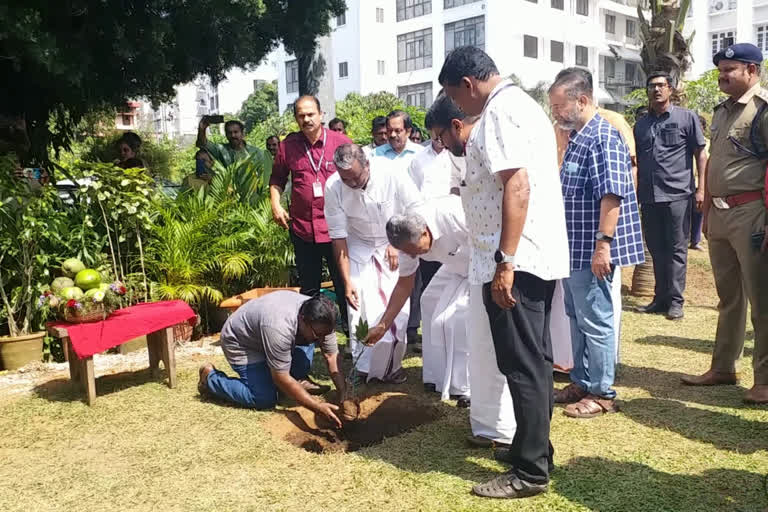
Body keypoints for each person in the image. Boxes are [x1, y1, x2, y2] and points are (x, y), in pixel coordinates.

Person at [439, 47, 570, 499]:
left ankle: (531, 471)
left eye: (456, 96)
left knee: (522, 365)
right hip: (527, 256)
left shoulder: (499, 112)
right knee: (531, 361)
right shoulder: (522, 107)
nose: (460, 106)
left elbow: (517, 184)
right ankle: (534, 449)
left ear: (468, 84)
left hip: (517, 260)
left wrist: (505, 261)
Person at [549, 68, 644, 418]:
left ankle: (602, 393)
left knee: (596, 318)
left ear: (583, 100)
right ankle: (582, 380)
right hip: (572, 247)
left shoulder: (603, 137)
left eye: (559, 106)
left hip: (592, 249)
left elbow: (612, 196)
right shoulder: (577, 136)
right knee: (576, 316)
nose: (556, 113)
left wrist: (603, 245)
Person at [428, 93, 517, 451]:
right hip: (480, 265)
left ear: (455, 126)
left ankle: (509, 433)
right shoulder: (462, 155)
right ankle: (486, 427)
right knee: (480, 350)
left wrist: (504, 262)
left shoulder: (494, 143)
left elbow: (514, 197)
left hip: (503, 263)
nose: (440, 145)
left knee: (505, 354)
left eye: (439, 137)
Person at [680, 43, 768, 405]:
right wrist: (707, 212)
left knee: (762, 300)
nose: (723, 74)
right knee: (729, 296)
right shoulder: (721, 111)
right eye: (721, 68)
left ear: (752, 71)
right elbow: (715, 162)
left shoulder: (762, 111)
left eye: (731, 68)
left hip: (752, 213)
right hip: (720, 213)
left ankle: (764, 379)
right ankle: (724, 367)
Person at [324, 144, 423, 384]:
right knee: (359, 309)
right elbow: (338, 236)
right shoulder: (333, 186)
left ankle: (392, 367)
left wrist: (397, 242)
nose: (351, 183)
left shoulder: (391, 172)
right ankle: (364, 368)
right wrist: (346, 281)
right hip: (359, 248)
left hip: (395, 245)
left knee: (397, 311)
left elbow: (415, 210)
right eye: (345, 178)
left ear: (367, 164)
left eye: (356, 177)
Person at [363, 196, 470, 405]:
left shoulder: (453, 216)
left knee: (458, 318)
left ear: (425, 232)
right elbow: (404, 285)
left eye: (415, 250)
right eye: (407, 252)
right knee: (429, 300)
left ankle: (466, 386)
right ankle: (436, 375)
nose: (413, 256)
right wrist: (383, 326)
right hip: (454, 264)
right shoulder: (408, 246)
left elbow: (486, 240)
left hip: (480, 264)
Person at [269, 95, 353, 343]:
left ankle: (352, 336)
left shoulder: (340, 143)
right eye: (301, 115)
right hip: (303, 229)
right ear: (296, 118)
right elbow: (277, 180)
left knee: (343, 283)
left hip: (337, 230)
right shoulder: (288, 146)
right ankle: (310, 337)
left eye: (310, 114)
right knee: (308, 289)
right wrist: (276, 205)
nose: (306, 119)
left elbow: (358, 178)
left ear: (321, 114)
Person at [198, 292, 346, 426]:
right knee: (263, 398)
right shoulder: (279, 327)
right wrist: (316, 407)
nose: (320, 340)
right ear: (303, 319)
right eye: (317, 334)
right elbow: (280, 377)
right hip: (242, 342)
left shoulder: (321, 317)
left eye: (325, 334)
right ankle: (210, 378)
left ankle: (295, 379)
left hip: (271, 334)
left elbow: (331, 355)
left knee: (301, 365)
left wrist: (343, 392)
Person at [634, 72, 708, 320]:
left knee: (677, 249)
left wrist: (701, 189)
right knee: (656, 248)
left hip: (678, 194)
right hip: (649, 196)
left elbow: (701, 154)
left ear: (671, 89)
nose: (656, 90)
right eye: (652, 86)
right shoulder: (641, 124)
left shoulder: (686, 118)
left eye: (661, 86)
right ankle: (660, 298)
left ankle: (676, 301)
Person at [196, 117, 271, 179]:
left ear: (242, 133)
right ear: (226, 134)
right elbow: (202, 143)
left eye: (236, 132)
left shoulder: (256, 152)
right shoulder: (222, 149)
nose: (233, 135)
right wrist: (202, 128)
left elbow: (265, 175)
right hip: (230, 192)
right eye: (229, 133)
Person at [690, 115, 710, 251]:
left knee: (698, 213)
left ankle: (695, 241)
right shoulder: (687, 141)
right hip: (686, 183)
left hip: (701, 182)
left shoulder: (709, 143)